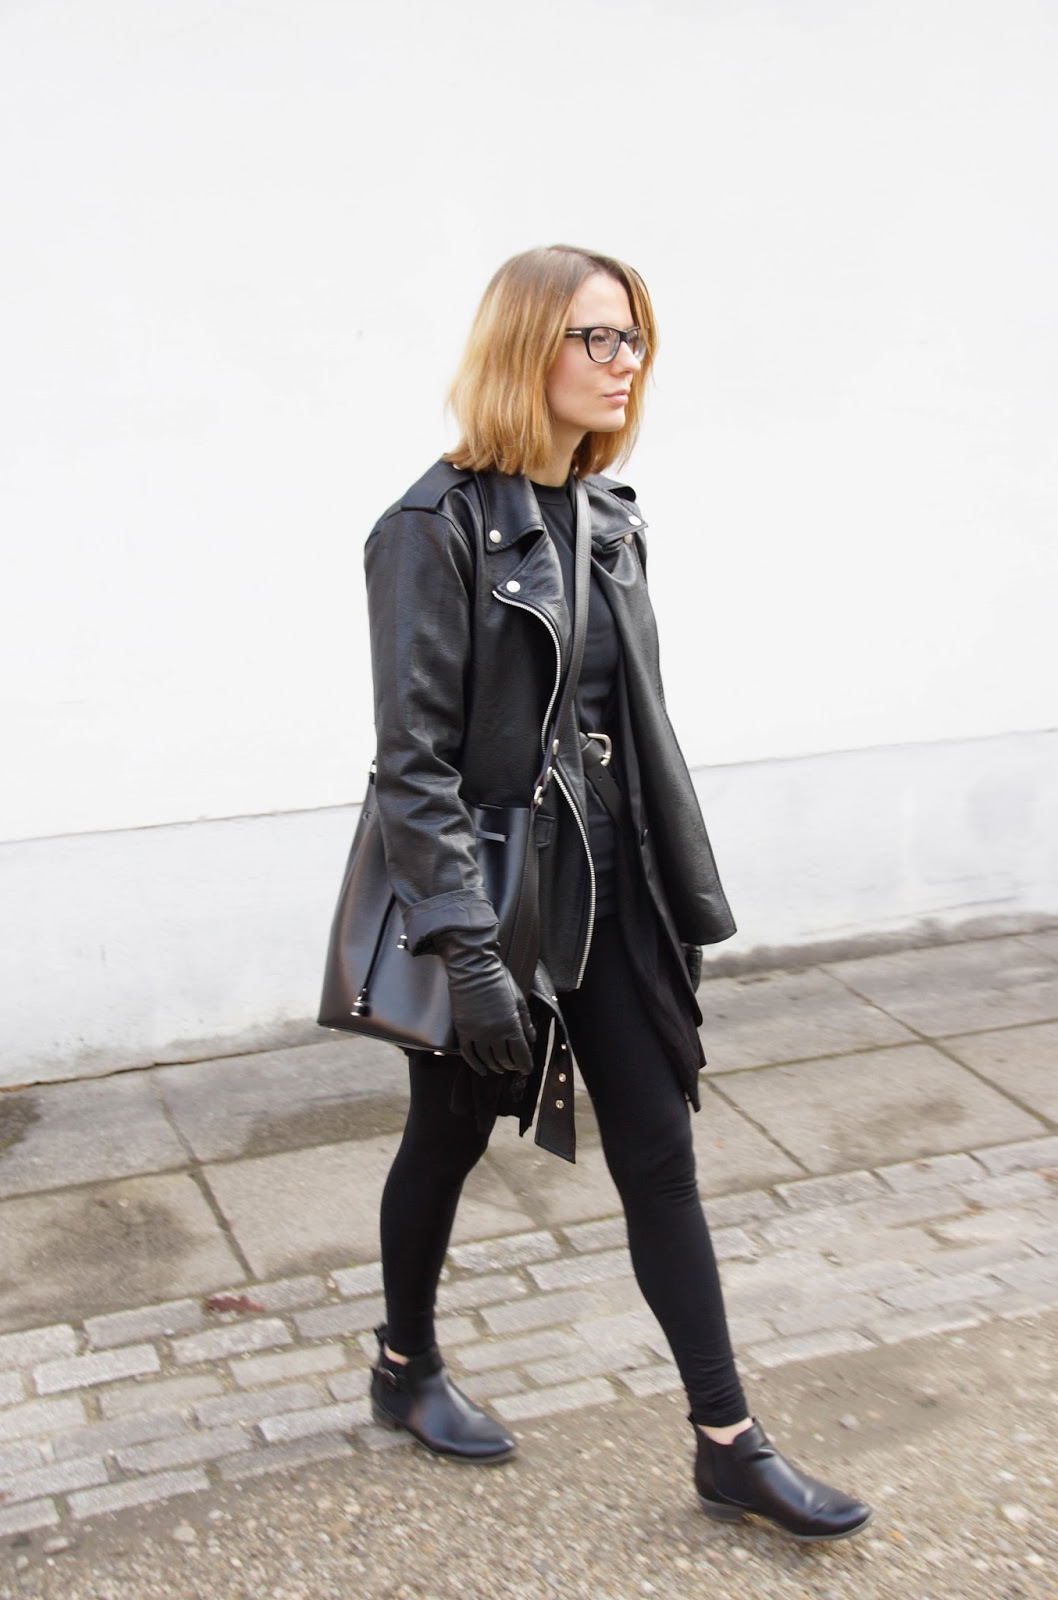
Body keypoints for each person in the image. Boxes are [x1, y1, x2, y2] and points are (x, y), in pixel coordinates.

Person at [361, 245, 873, 1543]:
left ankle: (728, 1443)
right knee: (447, 1138)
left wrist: (673, 900)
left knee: (658, 1151)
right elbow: (413, 766)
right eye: (596, 336)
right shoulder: (430, 528)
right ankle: (404, 1367)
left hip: (611, 892)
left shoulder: (608, 518)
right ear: (525, 346)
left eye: (633, 337)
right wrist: (467, 951)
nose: (624, 361)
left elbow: (634, 731)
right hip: (495, 900)